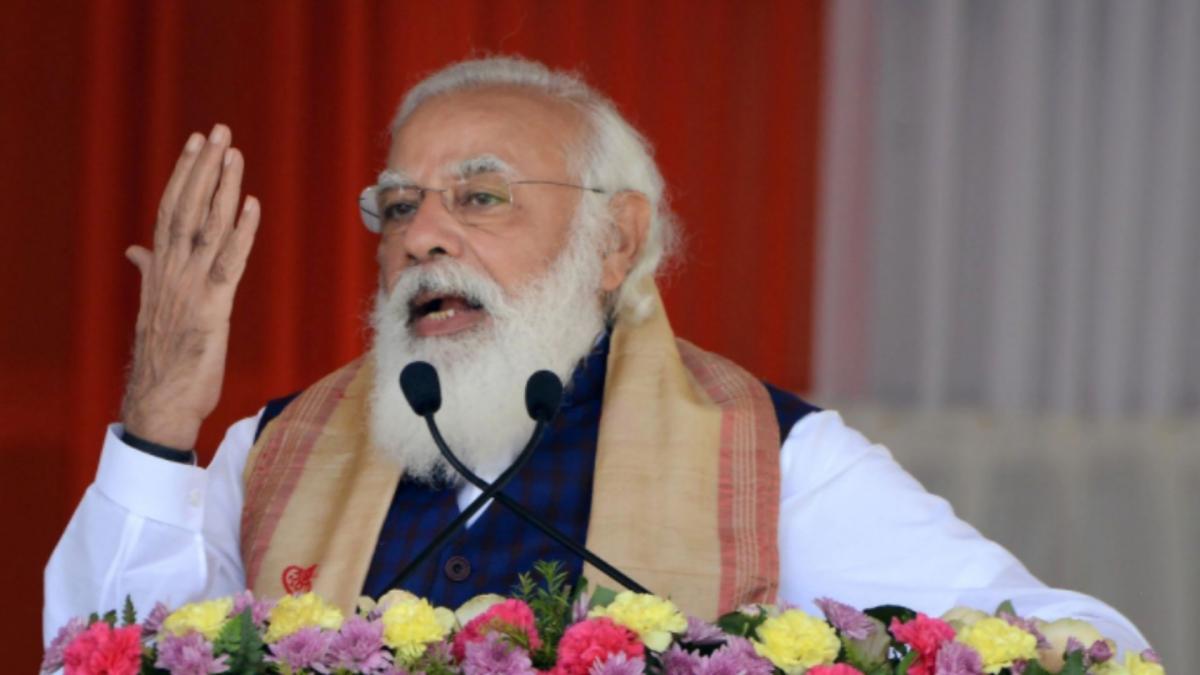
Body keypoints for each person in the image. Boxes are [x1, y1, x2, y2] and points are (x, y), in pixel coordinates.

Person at [44, 56, 1149, 651]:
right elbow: (100, 653)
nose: (423, 234)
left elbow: (1084, 647)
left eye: (480, 195)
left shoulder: (765, 460)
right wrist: (158, 423)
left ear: (614, 239)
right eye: (399, 206)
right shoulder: (274, 448)